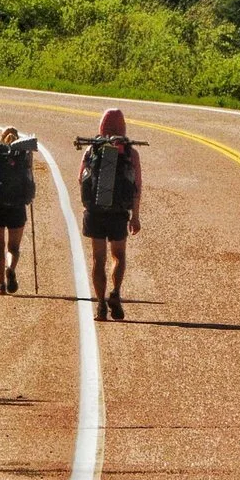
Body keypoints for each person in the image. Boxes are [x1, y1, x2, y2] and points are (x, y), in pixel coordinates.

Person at [79, 108, 142, 322]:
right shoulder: (131, 153)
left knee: (98, 258)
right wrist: (135, 216)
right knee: (119, 256)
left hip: (95, 212)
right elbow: (136, 187)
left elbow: (81, 179)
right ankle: (115, 293)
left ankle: (100, 305)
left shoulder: (91, 150)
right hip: (119, 213)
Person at [0, 127, 35, 295]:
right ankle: (10, 268)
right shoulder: (24, 155)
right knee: (13, 247)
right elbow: (30, 178)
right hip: (17, 207)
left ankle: (0, 285)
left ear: (1, 139)